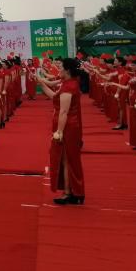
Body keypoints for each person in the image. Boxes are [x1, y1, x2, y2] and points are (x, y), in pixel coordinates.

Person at [37, 58, 85, 205]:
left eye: (61, 67)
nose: (59, 69)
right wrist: (41, 83)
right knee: (66, 159)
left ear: (67, 70)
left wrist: (59, 131)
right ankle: (71, 191)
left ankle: (70, 193)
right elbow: (54, 97)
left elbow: (64, 112)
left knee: (67, 159)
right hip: (67, 125)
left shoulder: (69, 86)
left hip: (68, 126)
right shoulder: (68, 83)